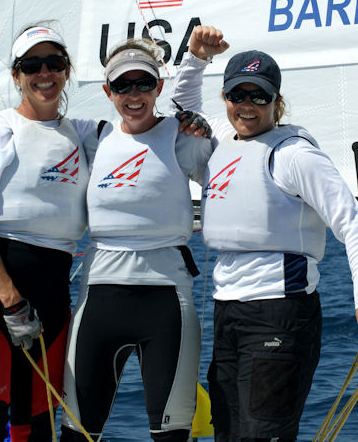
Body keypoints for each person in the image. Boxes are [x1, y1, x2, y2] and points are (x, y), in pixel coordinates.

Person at [171, 46, 358, 442]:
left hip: (280, 313)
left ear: (277, 102)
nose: (248, 106)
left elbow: (353, 224)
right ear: (226, 99)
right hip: (228, 312)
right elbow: (182, 112)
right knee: (228, 434)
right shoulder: (221, 140)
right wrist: (196, 59)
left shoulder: (296, 156)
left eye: (260, 96)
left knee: (263, 436)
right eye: (238, 95)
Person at [60, 29, 228, 442]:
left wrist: (196, 64)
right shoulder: (91, 137)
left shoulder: (181, 136)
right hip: (98, 298)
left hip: (167, 300)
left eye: (144, 84)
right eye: (122, 86)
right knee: (77, 433)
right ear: (107, 90)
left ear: (158, 87)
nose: (134, 95)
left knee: (171, 435)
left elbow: (232, 153)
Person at [0, 25, 95, 442]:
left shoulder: (84, 135)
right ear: (16, 76)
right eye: (32, 65)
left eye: (54, 63)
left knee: (40, 429)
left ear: (67, 72)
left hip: (50, 296)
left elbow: (141, 130)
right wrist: (11, 302)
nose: (44, 73)